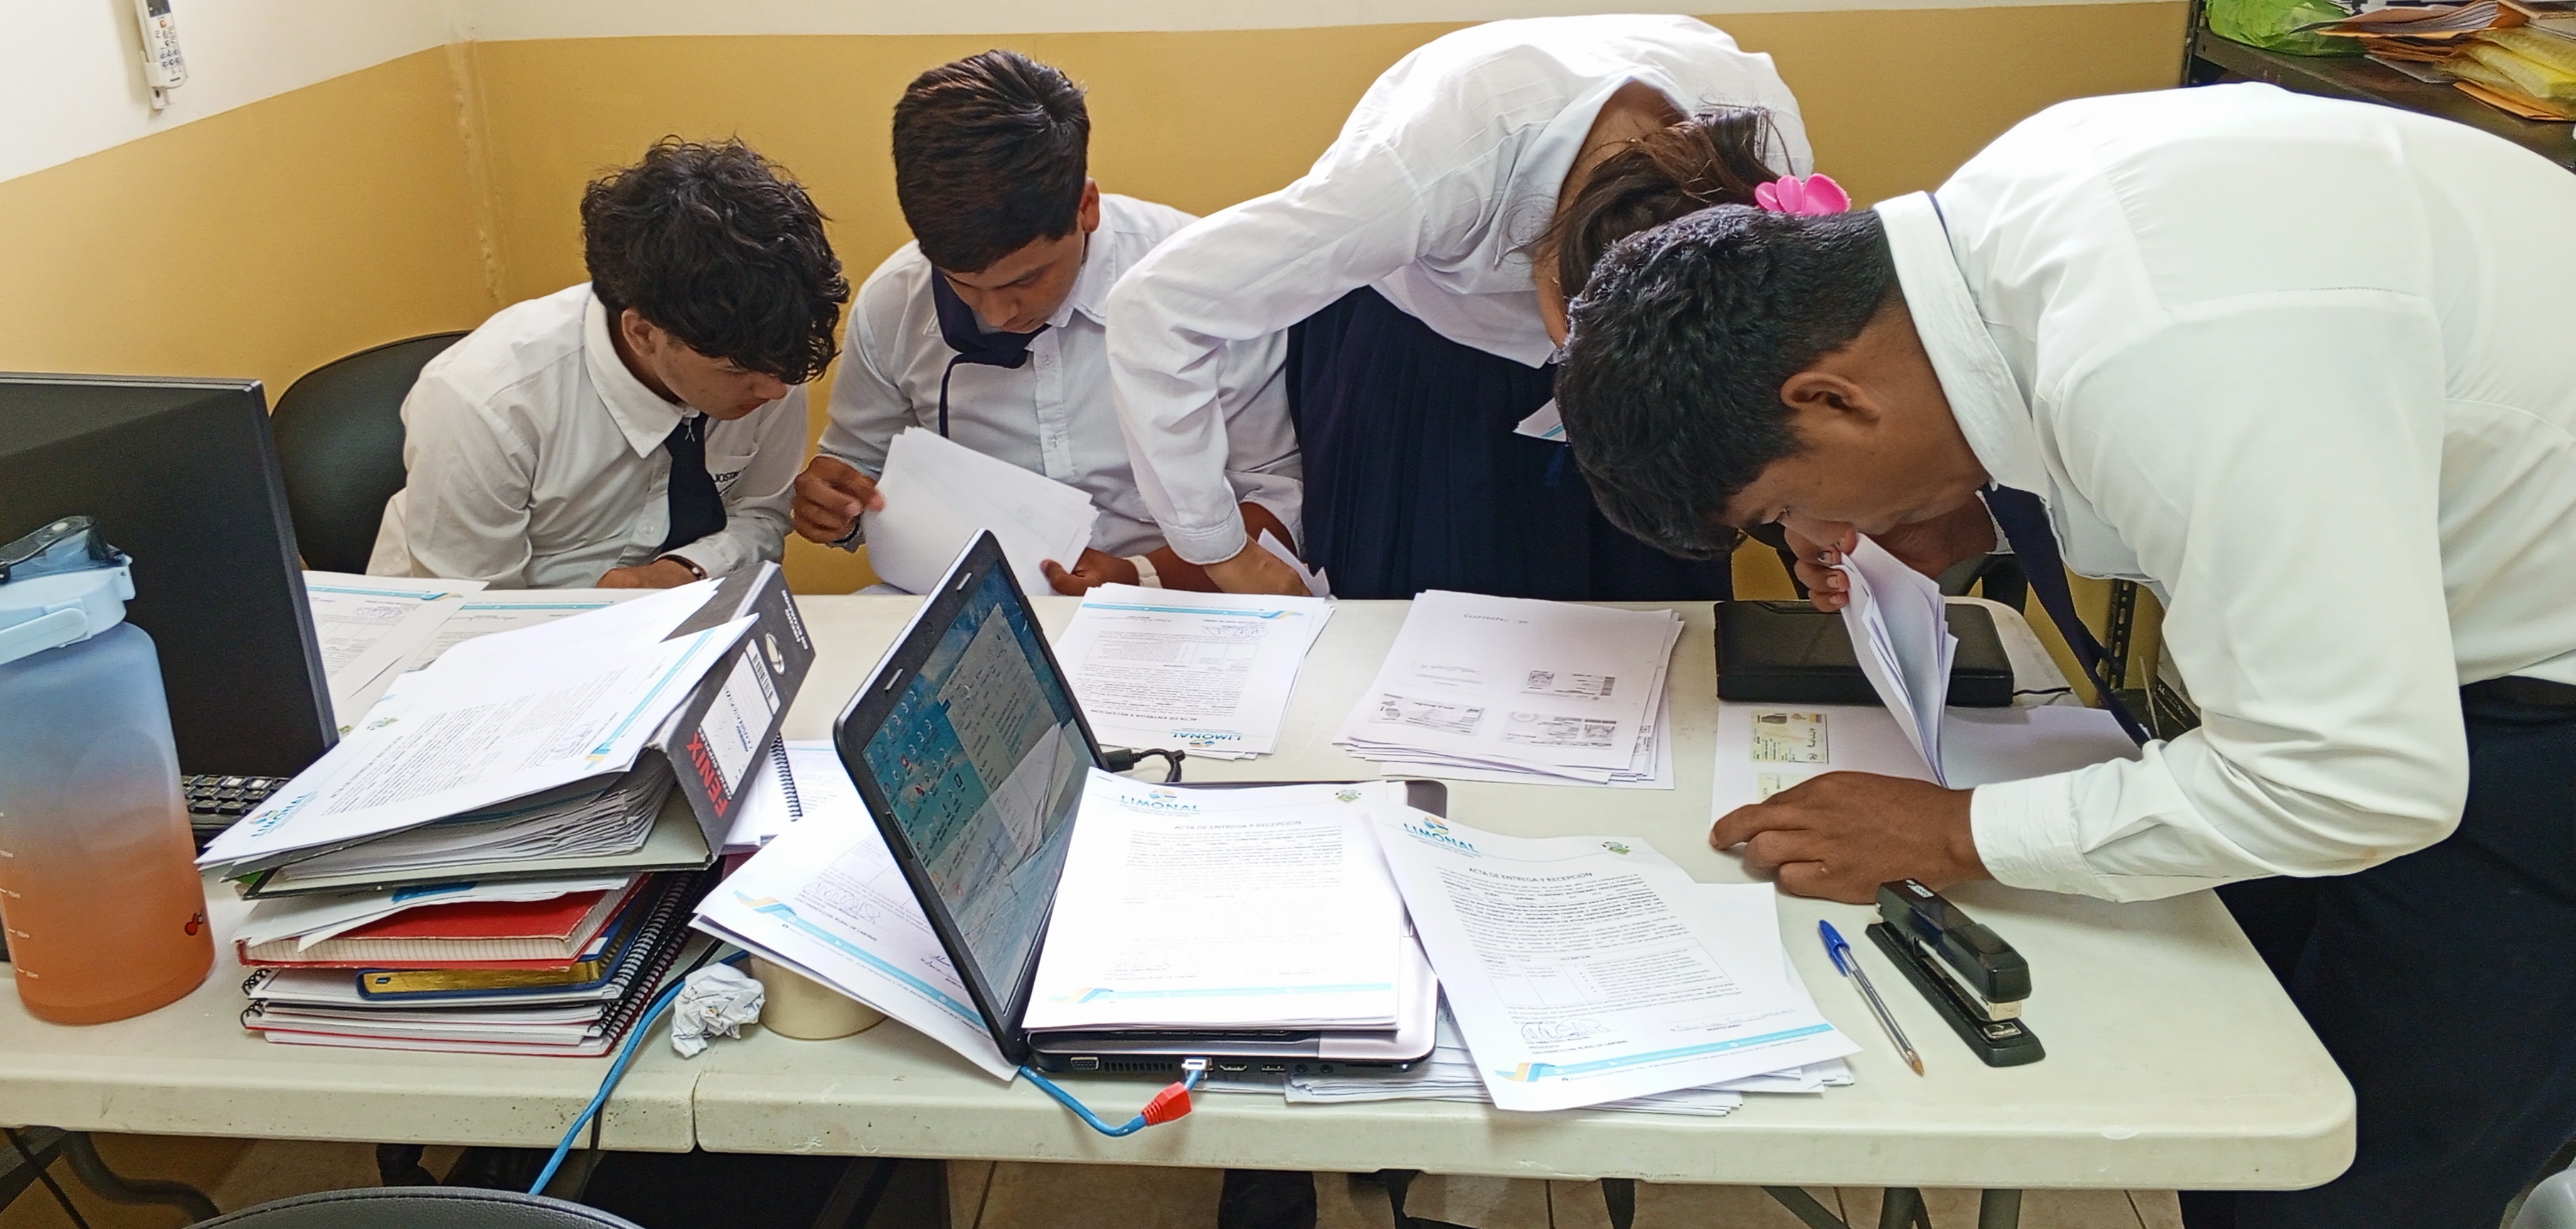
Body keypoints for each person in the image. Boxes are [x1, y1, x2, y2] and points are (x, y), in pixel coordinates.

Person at [1553, 84, 2576, 1228]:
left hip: (2539, 714)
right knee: (2243, 1080)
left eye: (1785, 505)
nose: (1817, 536)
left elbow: (2356, 779)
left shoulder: (2168, 351)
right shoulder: (2014, 209)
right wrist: (1968, 505)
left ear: (1830, 396)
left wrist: (1953, 832)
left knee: (2346, 1176)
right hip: (2442, 638)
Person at [1104, 16, 1809, 599]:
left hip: (1667, 370)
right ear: (1543, 253)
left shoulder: (1761, 160)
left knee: (1654, 613)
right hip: (1427, 360)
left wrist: (1803, 512)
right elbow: (1156, 305)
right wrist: (1223, 552)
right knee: (1425, 620)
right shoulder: (1427, 167)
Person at [790, 50, 1300, 594]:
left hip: (1181, 598)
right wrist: (836, 508)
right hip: (980, 604)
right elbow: (858, 472)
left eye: (1025, 280)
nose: (996, 313)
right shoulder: (896, 301)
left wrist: (1138, 575)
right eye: (964, 284)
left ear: (1086, 207)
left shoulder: (1206, 285)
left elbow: (1281, 501)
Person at [369, 139, 846, 589]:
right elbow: (479, 612)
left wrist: (687, 570)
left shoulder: (767, 352)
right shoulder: (488, 402)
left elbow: (761, 515)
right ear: (643, 333)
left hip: (667, 619)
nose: (774, 392)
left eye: (784, 367)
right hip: (479, 623)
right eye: (736, 371)